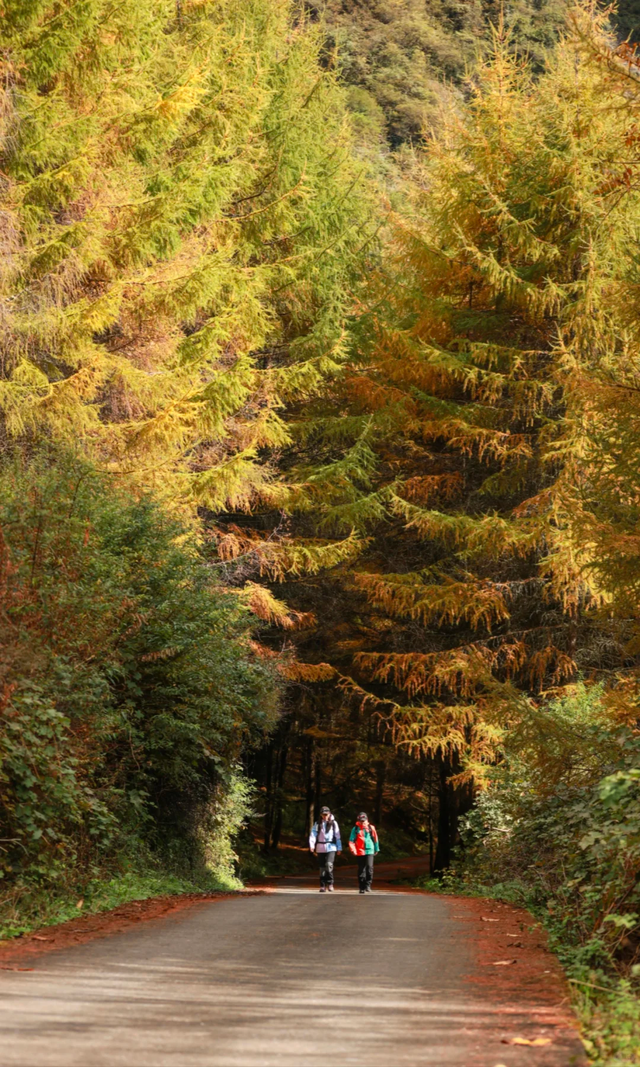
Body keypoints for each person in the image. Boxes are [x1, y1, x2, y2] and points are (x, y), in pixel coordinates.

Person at [309, 805, 342, 892]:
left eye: (326, 814)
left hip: (331, 847)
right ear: (321, 815)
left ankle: (330, 883)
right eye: (323, 814)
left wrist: (339, 848)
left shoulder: (334, 823)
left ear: (329, 814)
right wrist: (312, 845)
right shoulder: (317, 824)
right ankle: (322, 885)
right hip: (320, 847)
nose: (325, 816)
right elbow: (313, 835)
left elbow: (337, 836)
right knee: (322, 867)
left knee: (329, 864)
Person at [348, 812, 379, 893]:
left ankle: (368, 885)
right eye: (361, 821)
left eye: (363, 820)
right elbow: (351, 841)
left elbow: (375, 839)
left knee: (369, 868)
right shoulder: (355, 829)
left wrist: (376, 848)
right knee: (361, 869)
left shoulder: (371, 828)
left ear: (367, 819)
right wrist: (353, 850)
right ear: (358, 820)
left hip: (370, 850)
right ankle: (362, 887)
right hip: (359, 851)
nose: (362, 822)